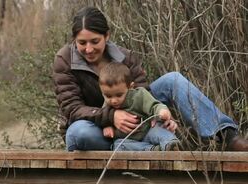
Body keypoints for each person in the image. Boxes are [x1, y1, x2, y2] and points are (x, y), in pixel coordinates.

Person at [52, 6, 248, 151]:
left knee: (172, 80)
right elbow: (72, 108)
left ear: (107, 36)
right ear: (73, 40)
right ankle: (136, 147)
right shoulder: (64, 60)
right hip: (95, 128)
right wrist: (111, 117)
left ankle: (227, 136)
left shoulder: (124, 56)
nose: (88, 49)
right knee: (78, 134)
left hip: (135, 122)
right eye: (82, 43)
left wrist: (159, 114)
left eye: (95, 41)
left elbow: (142, 92)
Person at [99, 63, 181, 151]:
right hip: (130, 140)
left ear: (130, 87)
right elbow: (103, 117)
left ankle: (171, 144)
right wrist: (106, 126)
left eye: (119, 95)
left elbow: (154, 105)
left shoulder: (139, 95)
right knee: (118, 145)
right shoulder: (107, 104)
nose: (114, 100)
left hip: (148, 131)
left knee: (159, 130)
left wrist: (161, 111)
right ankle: (153, 150)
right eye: (108, 96)